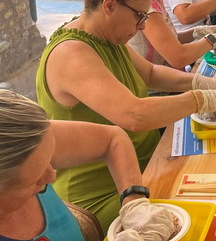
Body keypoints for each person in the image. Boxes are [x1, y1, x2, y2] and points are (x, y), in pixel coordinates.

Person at [36, 0, 216, 232]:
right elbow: (135, 115)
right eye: (139, 16)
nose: (142, 25)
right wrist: (198, 99)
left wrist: (199, 82)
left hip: (143, 163)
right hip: (104, 190)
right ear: (109, 5)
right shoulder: (72, 53)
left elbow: (150, 73)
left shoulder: (107, 38)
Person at [0, 89, 168, 240]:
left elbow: (112, 139)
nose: (52, 176)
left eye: (50, 159)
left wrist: (134, 202)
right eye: (34, 180)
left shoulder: (28, 139)